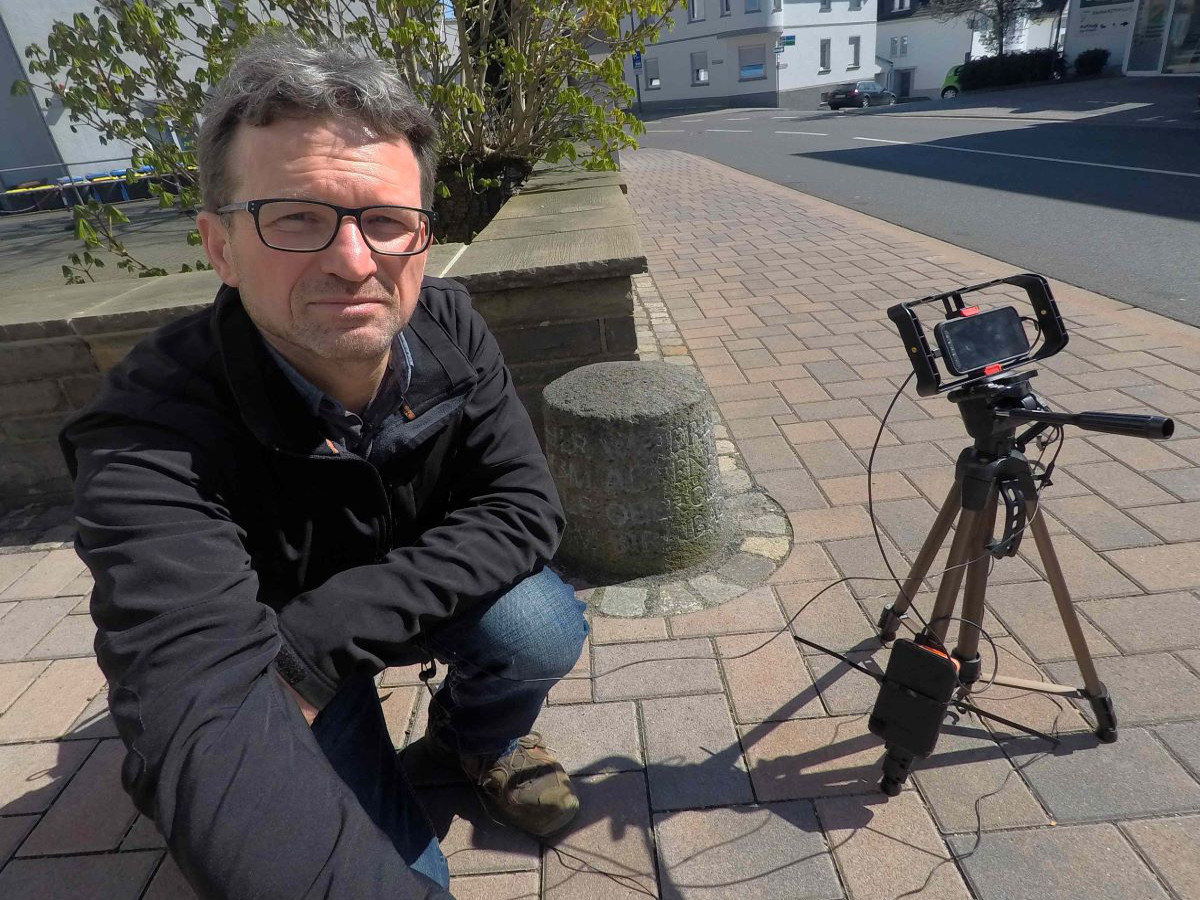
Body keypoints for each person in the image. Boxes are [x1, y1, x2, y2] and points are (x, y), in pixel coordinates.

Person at [58, 32, 587, 900]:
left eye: (386, 220)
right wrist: (290, 668)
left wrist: (320, 639)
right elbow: (199, 715)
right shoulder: (146, 429)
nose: (353, 261)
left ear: (423, 236)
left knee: (538, 626)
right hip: (266, 648)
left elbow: (525, 505)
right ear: (219, 246)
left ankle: (473, 736)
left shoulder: (450, 326)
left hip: (317, 634)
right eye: (295, 217)